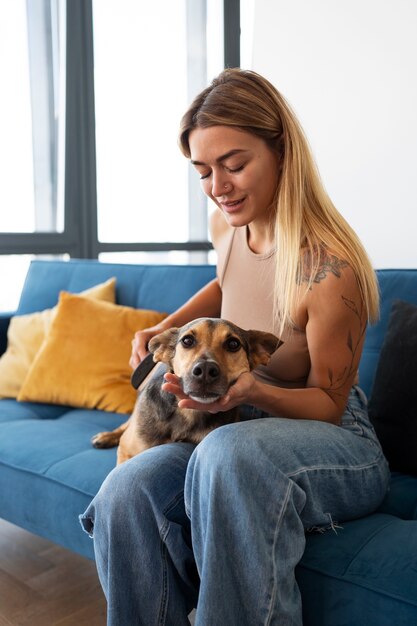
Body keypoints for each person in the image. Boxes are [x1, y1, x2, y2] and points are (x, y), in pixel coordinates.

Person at [80, 69, 390, 626]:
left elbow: (330, 404)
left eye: (235, 164)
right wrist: (163, 328)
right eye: (203, 171)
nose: (218, 186)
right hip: (246, 421)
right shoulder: (229, 226)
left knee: (226, 453)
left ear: (281, 152)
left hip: (337, 438)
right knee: (128, 487)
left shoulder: (329, 271)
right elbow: (228, 283)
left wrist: (247, 389)